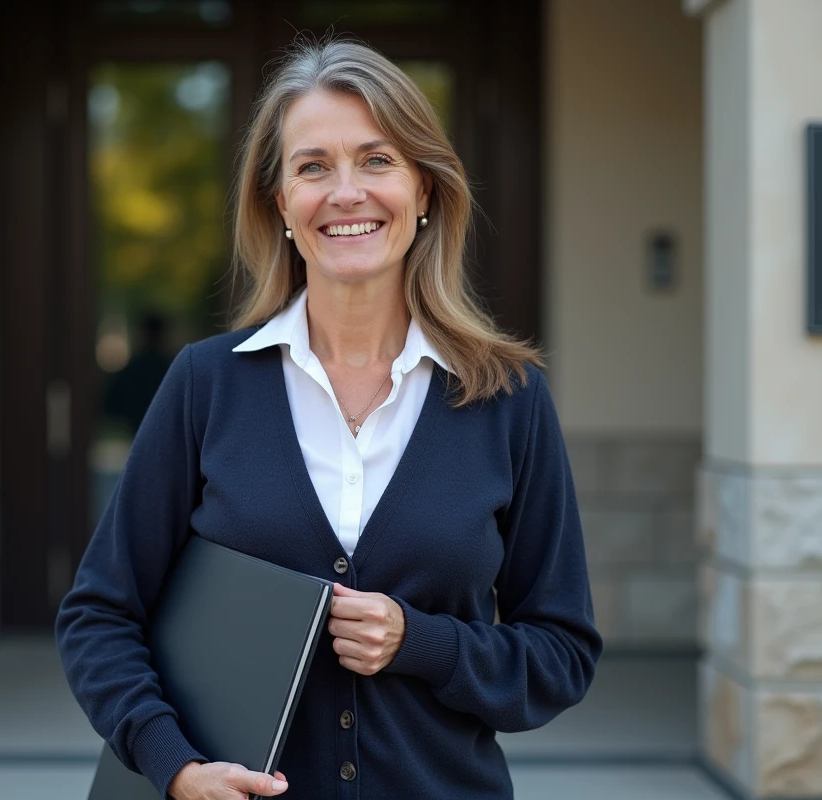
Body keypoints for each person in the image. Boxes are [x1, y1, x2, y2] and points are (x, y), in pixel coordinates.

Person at [56, 37, 602, 800]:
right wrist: (172, 764)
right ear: (281, 203)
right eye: (313, 167)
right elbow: (99, 615)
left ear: (424, 192)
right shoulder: (205, 386)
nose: (346, 192)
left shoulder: (506, 399)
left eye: (377, 160)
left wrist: (425, 643)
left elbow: (561, 653)